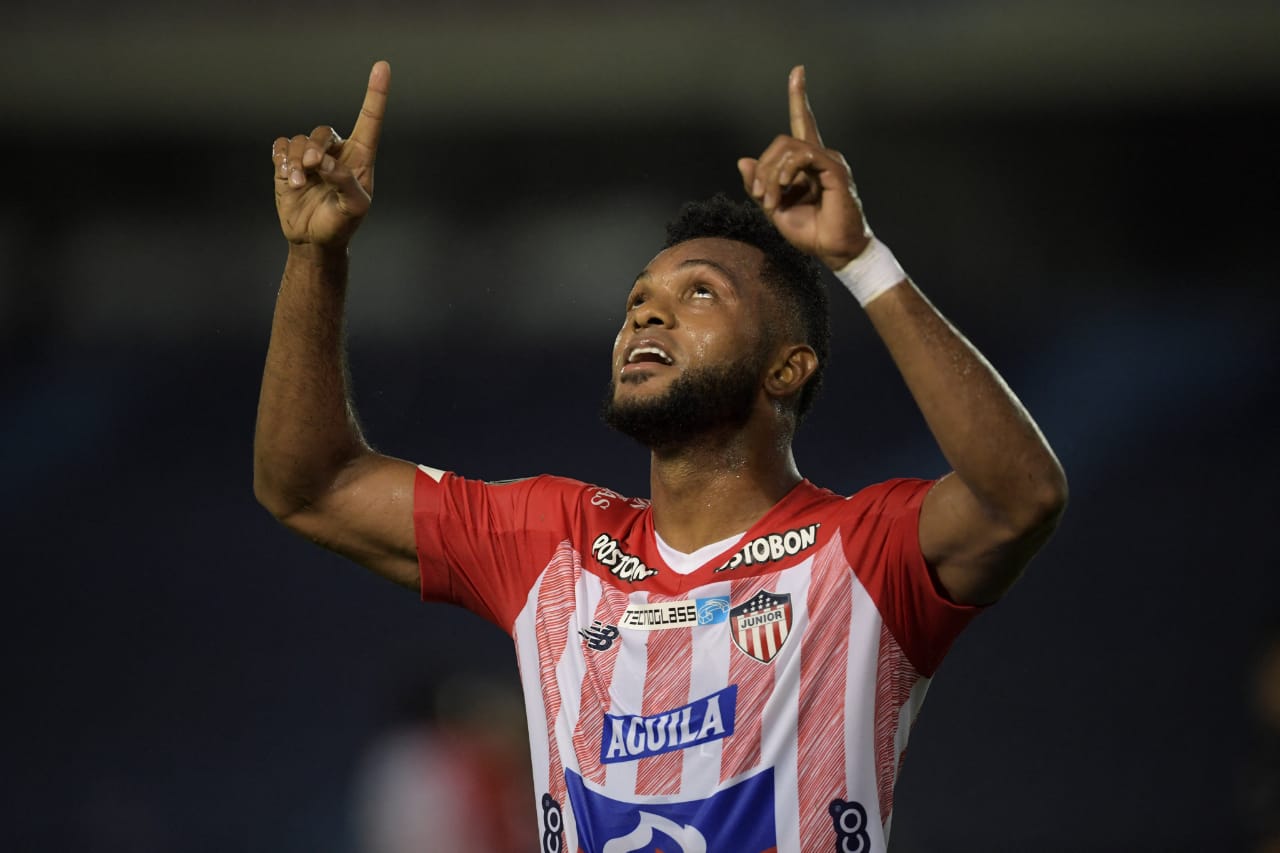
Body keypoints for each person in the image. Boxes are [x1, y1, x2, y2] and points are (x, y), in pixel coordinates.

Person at [255, 60, 1067, 852]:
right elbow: (309, 484)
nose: (646, 315)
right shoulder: (555, 544)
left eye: (699, 293)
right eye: (638, 299)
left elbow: (1021, 495)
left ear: (787, 367)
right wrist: (315, 255)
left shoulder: (860, 554)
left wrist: (861, 260)